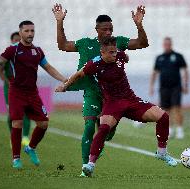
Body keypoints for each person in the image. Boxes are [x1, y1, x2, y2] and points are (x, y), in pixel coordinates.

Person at [56, 36, 177, 177]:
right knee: (103, 129)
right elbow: (78, 75)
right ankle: (90, 164)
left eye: (115, 51)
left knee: (163, 116)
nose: (114, 54)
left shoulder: (119, 55)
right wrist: (65, 87)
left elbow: (125, 57)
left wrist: (124, 57)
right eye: (111, 53)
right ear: (102, 52)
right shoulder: (93, 65)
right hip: (112, 103)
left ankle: (162, 152)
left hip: (131, 100)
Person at [52, 3, 149, 176]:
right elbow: (63, 45)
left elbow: (142, 43)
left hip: (113, 97)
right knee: (89, 125)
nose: (109, 32)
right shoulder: (85, 44)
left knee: (107, 132)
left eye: (111, 29)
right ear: (96, 29)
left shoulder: (117, 42)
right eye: (105, 29)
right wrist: (59, 22)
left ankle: (99, 142)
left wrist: (139, 24)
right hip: (92, 92)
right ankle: (85, 168)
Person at [0, 20, 67, 169]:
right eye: (26, 31)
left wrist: (65, 79)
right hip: (16, 92)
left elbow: (48, 67)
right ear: (20, 33)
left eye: (32, 31)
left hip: (33, 93)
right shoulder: (12, 49)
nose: (30, 34)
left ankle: (31, 148)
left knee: (44, 123)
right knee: (17, 123)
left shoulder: (38, 51)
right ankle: (16, 158)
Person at [149, 37, 189, 139]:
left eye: (169, 44)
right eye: (165, 44)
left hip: (176, 87)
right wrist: (151, 86)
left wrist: (186, 85)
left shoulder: (178, 56)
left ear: (171, 45)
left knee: (176, 108)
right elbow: (154, 73)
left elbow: (185, 71)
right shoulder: (159, 58)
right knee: (166, 111)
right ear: (163, 45)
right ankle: (170, 130)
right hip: (164, 88)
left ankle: (180, 130)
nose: (167, 46)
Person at [0, 31, 31, 146]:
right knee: (12, 114)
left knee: (26, 112)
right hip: (10, 89)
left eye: (19, 39)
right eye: (15, 40)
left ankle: (25, 137)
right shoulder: (7, 55)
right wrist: (9, 83)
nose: (17, 41)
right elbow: (0, 72)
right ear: (12, 41)